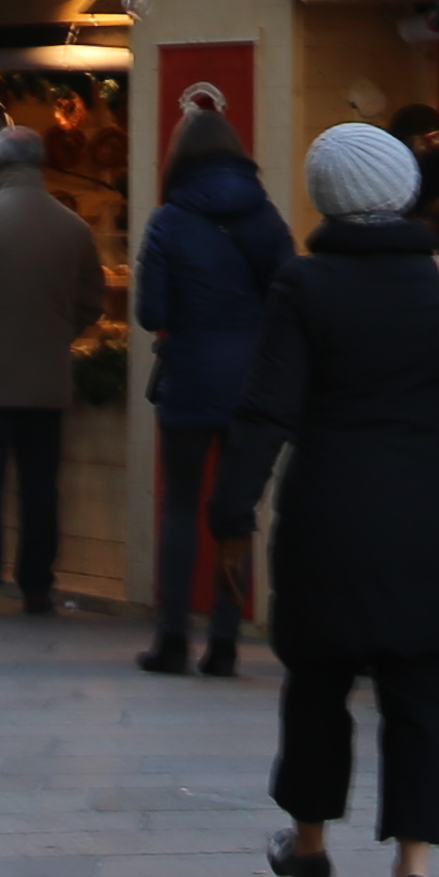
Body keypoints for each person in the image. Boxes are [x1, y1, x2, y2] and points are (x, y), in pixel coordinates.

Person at [235, 123, 439, 877]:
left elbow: (270, 406)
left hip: (329, 516)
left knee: (317, 686)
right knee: (420, 695)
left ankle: (310, 842)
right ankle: (412, 870)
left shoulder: (303, 286)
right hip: (431, 515)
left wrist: (230, 507)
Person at [133, 95, 295, 676]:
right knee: (238, 509)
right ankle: (225, 640)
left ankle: (172, 636)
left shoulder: (169, 220)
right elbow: (288, 299)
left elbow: (152, 311)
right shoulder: (268, 217)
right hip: (253, 380)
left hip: (190, 376)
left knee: (180, 505)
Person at [0, 125, 102, 617]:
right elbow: (91, 303)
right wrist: (58, 335)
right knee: (40, 489)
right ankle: (37, 587)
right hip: (47, 380)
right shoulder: (74, 228)